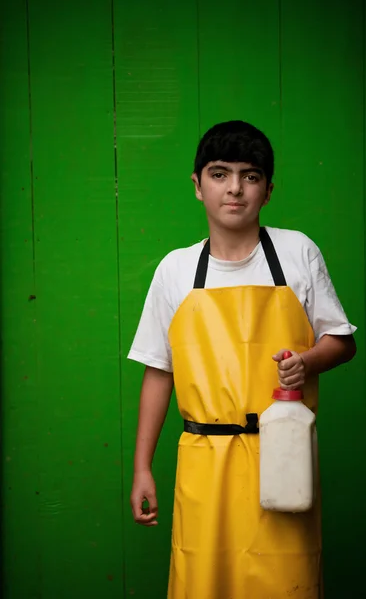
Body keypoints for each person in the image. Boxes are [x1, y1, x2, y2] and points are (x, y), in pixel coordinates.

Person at [128, 120, 356, 599]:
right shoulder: (175, 270)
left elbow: (342, 341)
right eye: (219, 173)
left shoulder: (298, 253)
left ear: (268, 190)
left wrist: (309, 361)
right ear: (197, 185)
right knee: (202, 584)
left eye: (250, 176)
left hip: (284, 461)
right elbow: (158, 370)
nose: (234, 188)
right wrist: (142, 467)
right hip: (204, 462)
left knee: (286, 584)